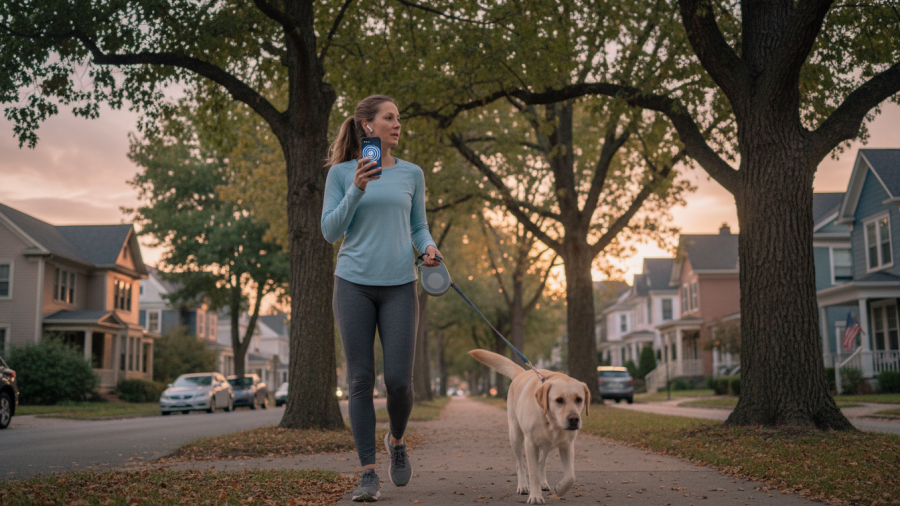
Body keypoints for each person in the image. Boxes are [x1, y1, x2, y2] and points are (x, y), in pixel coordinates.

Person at [321, 94, 441, 502]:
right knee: (359, 380)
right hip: (353, 282)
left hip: (400, 286)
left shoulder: (412, 174)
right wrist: (356, 187)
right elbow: (329, 231)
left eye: (399, 117)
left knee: (398, 382)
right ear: (368, 126)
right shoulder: (340, 174)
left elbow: (418, 226)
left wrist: (428, 248)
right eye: (389, 118)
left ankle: (397, 439)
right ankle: (368, 473)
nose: (397, 124)